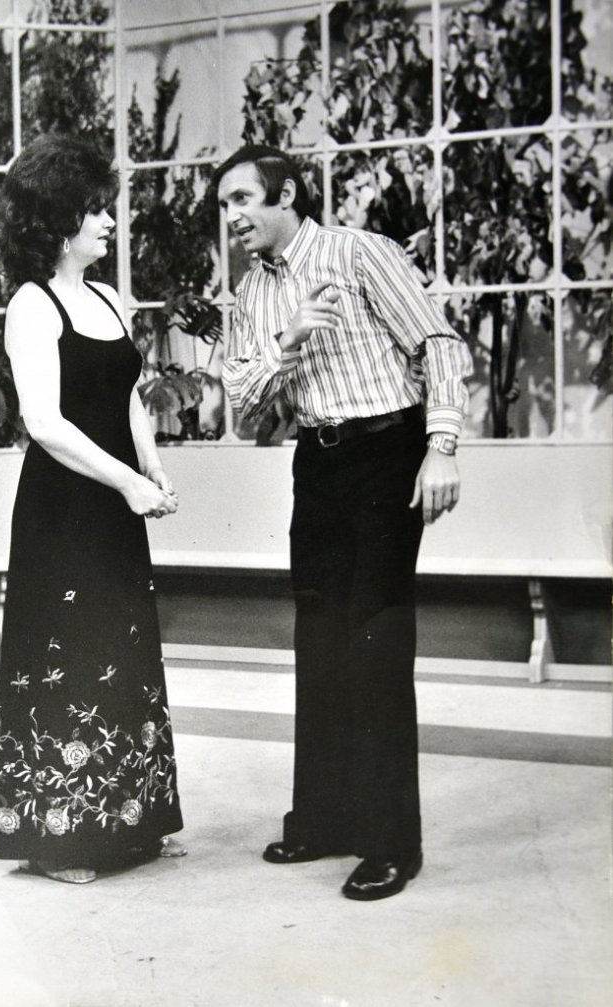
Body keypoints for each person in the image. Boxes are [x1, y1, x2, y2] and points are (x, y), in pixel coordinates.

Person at [215, 145, 473, 901]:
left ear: (287, 194)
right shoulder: (251, 294)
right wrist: (289, 339)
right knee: (320, 638)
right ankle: (323, 820)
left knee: (377, 641)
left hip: (388, 454)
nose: (232, 217)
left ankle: (392, 842)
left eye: (242, 199)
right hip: (318, 465)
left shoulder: (360, 253)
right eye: (224, 205)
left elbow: (437, 343)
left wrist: (441, 447)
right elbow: (245, 403)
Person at [0, 134, 184, 884]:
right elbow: (44, 422)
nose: (109, 220)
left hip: (114, 500)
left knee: (121, 649)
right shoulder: (30, 305)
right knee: (67, 659)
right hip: (64, 508)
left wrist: (152, 466)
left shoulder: (106, 298)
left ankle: (133, 822)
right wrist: (127, 482)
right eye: (95, 208)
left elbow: (127, 396)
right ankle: (61, 842)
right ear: (57, 216)